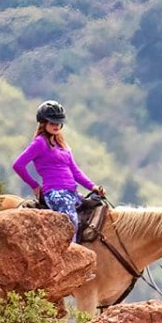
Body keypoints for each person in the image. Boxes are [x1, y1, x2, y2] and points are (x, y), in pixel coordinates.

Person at [11, 100, 104, 240]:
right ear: (44, 123)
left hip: (71, 192)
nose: (56, 126)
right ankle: (69, 254)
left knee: (95, 205)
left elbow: (76, 172)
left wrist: (93, 186)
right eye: (52, 123)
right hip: (56, 193)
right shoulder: (39, 143)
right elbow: (18, 165)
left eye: (58, 123)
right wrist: (35, 185)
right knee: (71, 224)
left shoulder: (62, 145)